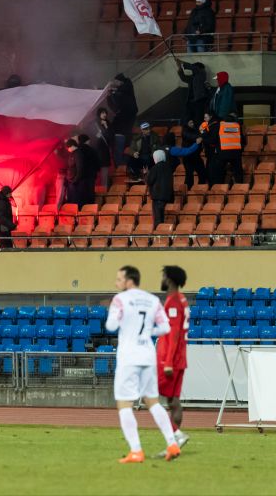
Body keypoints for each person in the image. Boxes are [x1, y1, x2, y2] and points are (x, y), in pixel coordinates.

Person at [105, 266, 180, 463]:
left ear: (129, 281)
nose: (116, 282)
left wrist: (119, 318)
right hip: (147, 354)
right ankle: (172, 443)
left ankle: (136, 450)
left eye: (119, 278)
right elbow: (164, 327)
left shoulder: (120, 300)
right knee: (153, 402)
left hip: (129, 356)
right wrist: (148, 332)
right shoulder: (153, 300)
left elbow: (111, 326)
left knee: (124, 403)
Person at [155, 265, 191, 454]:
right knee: (173, 401)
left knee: (150, 397)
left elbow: (174, 333)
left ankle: (176, 435)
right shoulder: (182, 300)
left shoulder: (174, 301)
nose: (161, 279)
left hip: (171, 360)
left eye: (163, 276)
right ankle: (173, 445)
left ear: (169, 279)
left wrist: (168, 362)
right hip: (180, 359)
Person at [108, 74, 138, 164]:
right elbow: (115, 106)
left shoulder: (127, 85)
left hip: (129, 114)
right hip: (125, 115)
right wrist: (109, 96)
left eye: (116, 82)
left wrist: (113, 91)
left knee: (126, 136)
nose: (115, 83)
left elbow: (120, 92)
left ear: (120, 81)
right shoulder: (120, 92)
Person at [212, 113, 245, 185]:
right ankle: (240, 188)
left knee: (219, 172)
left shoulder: (219, 125)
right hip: (236, 153)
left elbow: (214, 139)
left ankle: (219, 188)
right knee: (238, 172)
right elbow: (243, 140)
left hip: (222, 152)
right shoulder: (237, 125)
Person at [146, 151, 174, 226]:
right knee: (163, 218)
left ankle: (158, 236)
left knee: (158, 220)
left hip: (157, 196)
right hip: (167, 197)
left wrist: (146, 174)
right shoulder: (169, 167)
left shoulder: (155, 168)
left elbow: (149, 181)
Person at [181, 119, 208, 188]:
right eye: (190, 123)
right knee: (189, 176)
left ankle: (200, 189)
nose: (192, 124)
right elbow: (191, 136)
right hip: (188, 157)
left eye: (193, 122)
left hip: (196, 156)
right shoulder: (184, 131)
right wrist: (200, 135)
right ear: (186, 124)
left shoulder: (195, 130)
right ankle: (187, 192)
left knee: (202, 173)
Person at [76, 135, 100, 204]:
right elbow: (97, 162)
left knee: (82, 193)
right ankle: (91, 208)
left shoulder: (77, 150)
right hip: (91, 175)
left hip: (81, 175)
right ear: (87, 141)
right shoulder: (92, 150)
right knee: (90, 192)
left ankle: (82, 209)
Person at [94, 108, 114, 188]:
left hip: (104, 152)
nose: (104, 114)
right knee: (97, 175)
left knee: (104, 173)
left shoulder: (108, 123)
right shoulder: (95, 124)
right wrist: (97, 136)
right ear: (99, 114)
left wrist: (106, 127)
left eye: (105, 113)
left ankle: (104, 190)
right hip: (97, 152)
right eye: (102, 113)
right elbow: (91, 138)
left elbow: (111, 137)